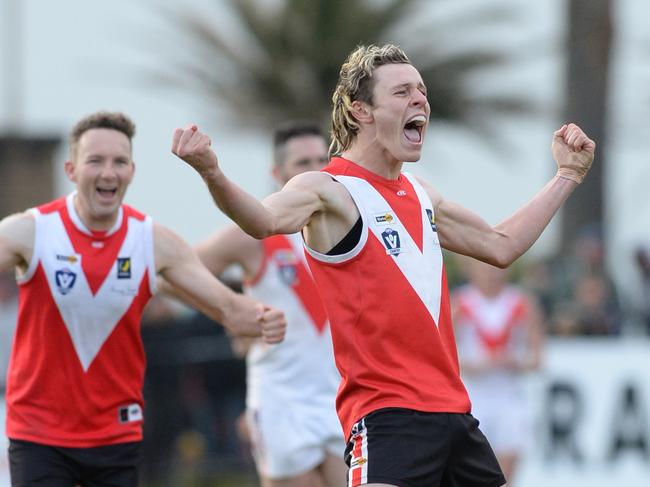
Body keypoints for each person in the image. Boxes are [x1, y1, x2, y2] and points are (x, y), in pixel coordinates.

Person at [171, 43, 595, 487]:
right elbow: (263, 221)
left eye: (422, 91)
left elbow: (501, 244)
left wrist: (567, 176)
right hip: (389, 419)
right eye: (402, 92)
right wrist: (211, 172)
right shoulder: (328, 188)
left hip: (455, 418)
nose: (420, 100)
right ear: (361, 111)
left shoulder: (421, 193)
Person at [0, 111, 286, 487]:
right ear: (71, 169)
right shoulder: (31, 232)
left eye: (119, 162)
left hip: (116, 435)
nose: (108, 172)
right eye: (95, 161)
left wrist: (262, 318)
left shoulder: (152, 241)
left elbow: (228, 309)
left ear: (132, 171)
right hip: (39, 435)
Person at [190, 121, 346, 487]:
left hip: (343, 398)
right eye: (302, 163)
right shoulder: (257, 235)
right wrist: (230, 311)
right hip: (282, 402)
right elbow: (177, 272)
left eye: (322, 160)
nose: (315, 171)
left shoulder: (349, 228)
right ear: (278, 174)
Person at [452, 259, 544, 486]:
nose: (491, 274)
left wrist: (515, 362)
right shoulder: (459, 303)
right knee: (472, 471)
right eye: (484, 268)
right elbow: (447, 355)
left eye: (496, 269)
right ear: (471, 269)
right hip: (473, 398)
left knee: (505, 475)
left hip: (509, 396)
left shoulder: (522, 303)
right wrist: (474, 365)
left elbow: (537, 359)